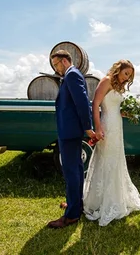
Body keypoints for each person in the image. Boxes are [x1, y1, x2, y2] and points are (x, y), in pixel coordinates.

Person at [82, 60, 140, 226]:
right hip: (107, 126)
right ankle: (100, 201)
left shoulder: (118, 86)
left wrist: (127, 113)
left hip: (117, 125)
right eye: (126, 74)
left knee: (116, 160)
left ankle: (116, 197)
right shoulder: (106, 81)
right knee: (106, 160)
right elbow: (95, 104)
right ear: (118, 69)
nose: (127, 78)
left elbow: (116, 108)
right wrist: (98, 127)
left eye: (129, 76)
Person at [47, 50, 95, 229]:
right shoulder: (71, 75)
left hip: (70, 132)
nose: (55, 68)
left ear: (64, 61)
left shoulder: (72, 75)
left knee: (71, 172)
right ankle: (76, 204)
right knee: (76, 169)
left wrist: (87, 127)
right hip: (70, 131)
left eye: (56, 64)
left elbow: (82, 102)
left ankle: (72, 215)